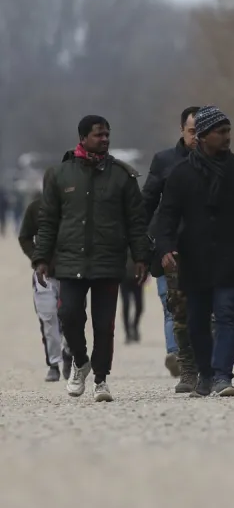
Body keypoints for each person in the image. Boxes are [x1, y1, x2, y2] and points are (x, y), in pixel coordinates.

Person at [156, 106, 234, 398]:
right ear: (203, 136)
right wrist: (165, 246)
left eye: (228, 131)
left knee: (227, 315)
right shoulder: (181, 174)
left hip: (233, 256)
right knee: (196, 320)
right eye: (220, 132)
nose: (226, 137)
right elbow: (167, 215)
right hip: (194, 259)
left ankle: (222, 376)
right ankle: (205, 376)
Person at [33, 115, 150, 402]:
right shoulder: (59, 175)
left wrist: (140, 256)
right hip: (69, 261)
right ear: (83, 138)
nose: (105, 139)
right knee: (68, 315)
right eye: (99, 135)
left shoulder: (122, 176)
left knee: (104, 325)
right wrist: (42, 258)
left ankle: (100, 378)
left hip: (109, 262)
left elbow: (136, 221)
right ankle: (80, 362)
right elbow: (47, 221)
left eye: (107, 134)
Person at [141, 106, 199, 390]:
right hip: (167, 244)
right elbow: (148, 200)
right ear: (182, 130)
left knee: (202, 306)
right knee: (170, 304)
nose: (197, 137)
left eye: (202, 131)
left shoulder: (219, 160)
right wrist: (140, 237)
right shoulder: (164, 160)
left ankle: (200, 361)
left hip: (204, 245)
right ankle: (177, 355)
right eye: (192, 131)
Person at [18, 171, 73, 382]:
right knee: (48, 318)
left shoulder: (72, 208)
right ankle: (53, 363)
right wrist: (37, 258)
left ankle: (69, 353)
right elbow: (24, 237)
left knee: (70, 316)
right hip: (45, 274)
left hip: (71, 272)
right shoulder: (35, 209)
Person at [120, 253, 145, 344]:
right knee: (126, 305)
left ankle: (134, 326)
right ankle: (127, 333)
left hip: (137, 277)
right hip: (124, 278)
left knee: (140, 306)